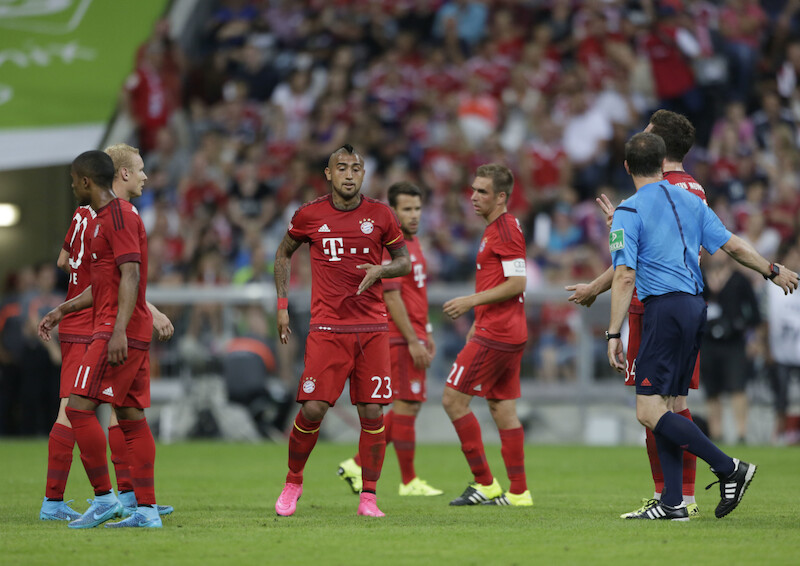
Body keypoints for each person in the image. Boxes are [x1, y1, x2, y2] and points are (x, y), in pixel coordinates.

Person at [606, 132, 797, 520]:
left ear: (627, 167)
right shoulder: (690, 200)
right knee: (669, 407)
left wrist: (612, 333)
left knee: (647, 411)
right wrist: (772, 270)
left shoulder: (628, 210)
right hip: (695, 307)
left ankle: (730, 467)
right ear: (664, 164)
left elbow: (625, 275)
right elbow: (732, 245)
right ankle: (673, 502)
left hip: (663, 310)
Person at [566, 110, 705, 518]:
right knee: (671, 403)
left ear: (658, 145)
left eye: (646, 133)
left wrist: (623, 224)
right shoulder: (690, 187)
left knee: (656, 408)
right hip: (683, 302)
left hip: (656, 305)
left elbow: (636, 262)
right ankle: (679, 498)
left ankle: (683, 493)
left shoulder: (666, 189)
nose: (639, 137)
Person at [273, 144, 410, 518]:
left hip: (371, 329)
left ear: (363, 175)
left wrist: (380, 270)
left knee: (372, 414)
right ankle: (293, 481)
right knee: (313, 408)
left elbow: (404, 262)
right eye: (342, 168)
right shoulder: (309, 215)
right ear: (328, 174)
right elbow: (283, 253)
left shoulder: (381, 215)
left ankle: (369, 497)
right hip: (328, 328)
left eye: (356, 168)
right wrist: (282, 306)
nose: (350, 174)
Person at [38, 144, 174, 522]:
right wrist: (62, 309)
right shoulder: (100, 219)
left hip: (116, 330)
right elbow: (104, 284)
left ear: (86, 181)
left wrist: (117, 333)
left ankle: (105, 497)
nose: (71, 189)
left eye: (72, 182)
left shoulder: (119, 217)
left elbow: (130, 276)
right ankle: (144, 510)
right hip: (114, 325)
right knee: (130, 417)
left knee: (79, 408)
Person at [337, 182, 443, 497]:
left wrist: (428, 332)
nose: (414, 215)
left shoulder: (415, 243)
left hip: (415, 332)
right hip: (399, 336)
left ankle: (360, 465)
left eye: (417, 208)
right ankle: (406, 480)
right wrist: (412, 340)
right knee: (406, 406)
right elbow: (393, 298)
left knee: (408, 407)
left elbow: (416, 296)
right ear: (393, 212)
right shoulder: (390, 249)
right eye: (406, 209)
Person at [442, 163, 531, 507]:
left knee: (452, 400)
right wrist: (477, 322)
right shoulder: (497, 227)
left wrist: (470, 302)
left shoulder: (505, 231)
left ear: (501, 197)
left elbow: (517, 283)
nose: (473, 196)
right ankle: (520, 492)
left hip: (499, 333)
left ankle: (485, 484)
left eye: (482, 191)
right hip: (503, 330)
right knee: (502, 409)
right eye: (473, 189)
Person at [700, 251, 761, 444]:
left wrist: (754, 340)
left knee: (738, 387)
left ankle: (741, 432)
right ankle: (716, 433)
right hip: (707, 340)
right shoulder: (699, 276)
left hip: (733, 341)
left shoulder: (739, 280)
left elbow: (754, 313)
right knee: (712, 390)